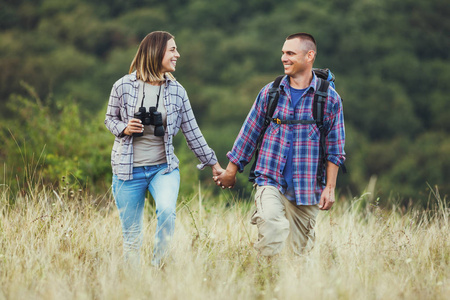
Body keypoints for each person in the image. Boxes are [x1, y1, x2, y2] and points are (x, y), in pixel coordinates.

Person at [214, 33, 345, 257]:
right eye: (283, 53)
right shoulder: (270, 92)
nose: (284, 58)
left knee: (297, 258)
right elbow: (249, 134)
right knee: (273, 227)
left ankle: (279, 288)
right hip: (269, 180)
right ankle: (262, 282)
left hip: (307, 188)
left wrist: (330, 188)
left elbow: (336, 149)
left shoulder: (329, 99)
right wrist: (230, 172)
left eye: (290, 53)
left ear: (309, 55)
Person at [105, 31, 223, 268]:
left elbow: (192, 132)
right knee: (132, 237)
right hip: (127, 170)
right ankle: (135, 286)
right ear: (156, 52)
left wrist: (214, 163)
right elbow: (109, 119)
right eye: (172, 49)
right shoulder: (123, 85)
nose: (177, 54)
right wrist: (125, 128)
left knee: (167, 212)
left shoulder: (178, 91)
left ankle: (158, 267)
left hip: (164, 168)